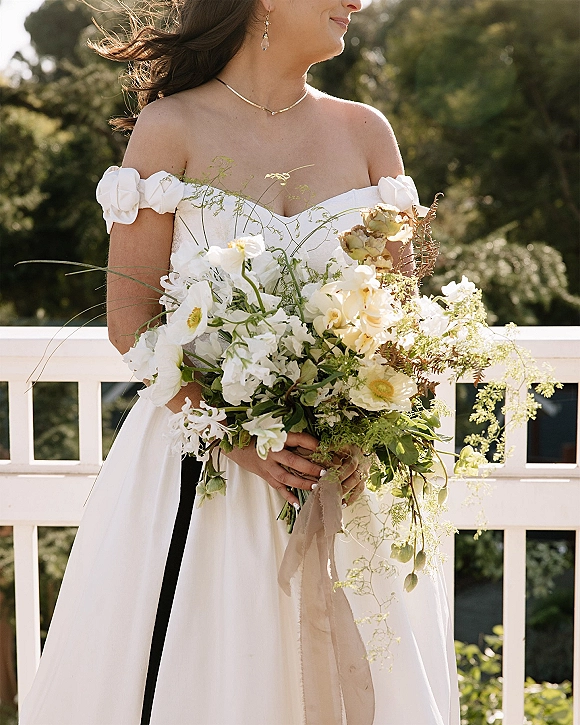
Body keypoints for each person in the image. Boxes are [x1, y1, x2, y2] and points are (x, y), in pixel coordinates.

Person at [20, 1, 459, 723]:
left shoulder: (368, 133)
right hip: (202, 479)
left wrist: (360, 427)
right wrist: (239, 437)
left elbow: (399, 322)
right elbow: (130, 322)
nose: (358, 1)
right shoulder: (172, 129)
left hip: (343, 479)